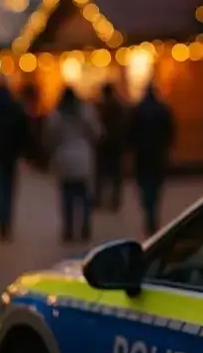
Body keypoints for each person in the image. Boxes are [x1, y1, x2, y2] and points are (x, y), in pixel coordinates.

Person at [44, 87, 101, 242]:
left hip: (64, 159)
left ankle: (68, 229)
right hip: (83, 157)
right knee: (84, 196)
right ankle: (85, 228)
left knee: (67, 196)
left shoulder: (56, 115)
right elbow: (97, 133)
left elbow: (50, 137)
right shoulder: (86, 113)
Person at [0, 78, 28, 242]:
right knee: (8, 189)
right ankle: (6, 221)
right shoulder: (15, 108)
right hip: (11, 155)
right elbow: (23, 130)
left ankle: (1, 221)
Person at [130, 82, 174, 237]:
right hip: (158, 154)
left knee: (145, 186)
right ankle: (153, 214)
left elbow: (130, 132)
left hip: (142, 155)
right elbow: (170, 132)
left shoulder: (137, 110)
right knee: (156, 187)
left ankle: (149, 213)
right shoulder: (163, 110)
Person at [94, 83, 130, 212]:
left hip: (103, 145)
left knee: (101, 174)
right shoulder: (119, 106)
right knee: (116, 175)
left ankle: (99, 199)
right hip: (116, 144)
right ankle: (115, 201)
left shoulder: (100, 107)